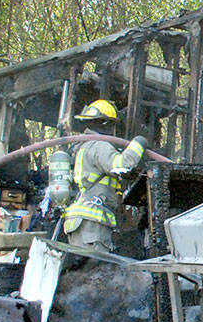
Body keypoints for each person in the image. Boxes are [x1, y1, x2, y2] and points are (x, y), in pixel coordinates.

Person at [61, 100, 147, 252]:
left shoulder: (84, 145)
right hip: (91, 224)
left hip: (84, 223)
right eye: (112, 125)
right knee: (93, 271)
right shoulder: (99, 145)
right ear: (106, 124)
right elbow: (122, 164)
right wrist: (139, 142)